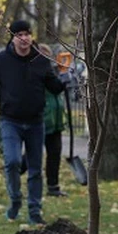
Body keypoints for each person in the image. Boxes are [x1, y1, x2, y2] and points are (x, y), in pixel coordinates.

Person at [0, 20, 65, 225]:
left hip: (36, 123)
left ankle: (34, 210)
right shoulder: (2, 60)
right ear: (13, 38)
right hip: (10, 121)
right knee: (12, 162)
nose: (24, 39)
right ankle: (15, 200)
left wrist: (65, 78)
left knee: (35, 169)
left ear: (31, 37)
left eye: (27, 34)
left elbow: (54, 86)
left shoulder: (41, 60)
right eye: (19, 35)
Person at [37, 45, 68, 198]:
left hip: (55, 120)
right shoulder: (35, 73)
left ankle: (53, 187)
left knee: (54, 154)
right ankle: (14, 174)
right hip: (41, 119)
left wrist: (64, 75)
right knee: (32, 155)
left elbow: (60, 88)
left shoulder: (53, 72)